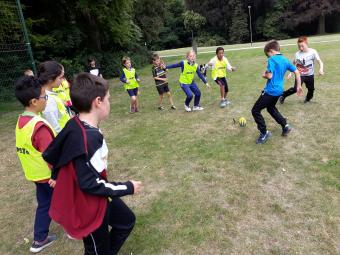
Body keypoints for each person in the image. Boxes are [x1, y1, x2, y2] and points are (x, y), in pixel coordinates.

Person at [43, 73, 142, 255]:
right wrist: (128, 187)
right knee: (96, 248)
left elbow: (55, 151)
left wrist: (56, 176)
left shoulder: (75, 122)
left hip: (99, 195)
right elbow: (89, 183)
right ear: (98, 101)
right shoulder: (89, 138)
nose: (109, 103)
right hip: (88, 204)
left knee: (126, 220)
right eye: (108, 99)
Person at [14, 75, 57, 253]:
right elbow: (51, 156)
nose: (46, 99)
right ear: (33, 101)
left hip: (35, 175)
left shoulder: (21, 121)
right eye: (43, 96)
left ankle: (39, 239)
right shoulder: (39, 127)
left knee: (45, 204)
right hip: (49, 177)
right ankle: (74, 230)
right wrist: (57, 176)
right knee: (67, 200)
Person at [251, 40, 302, 144]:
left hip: (271, 91)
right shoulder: (285, 60)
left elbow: (269, 76)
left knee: (255, 110)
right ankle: (285, 126)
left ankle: (264, 133)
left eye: (267, 55)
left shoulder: (272, 59)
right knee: (270, 108)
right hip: (279, 91)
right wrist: (299, 85)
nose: (268, 57)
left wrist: (264, 75)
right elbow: (297, 72)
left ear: (270, 51)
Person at [279, 36, 324, 104]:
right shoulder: (297, 54)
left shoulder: (313, 52)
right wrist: (291, 73)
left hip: (310, 75)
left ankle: (307, 99)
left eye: (302, 46)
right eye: (299, 46)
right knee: (295, 89)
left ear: (306, 43)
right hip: (300, 75)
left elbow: (320, 61)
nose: (300, 48)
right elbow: (294, 64)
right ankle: (283, 95)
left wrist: (321, 69)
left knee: (311, 89)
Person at [38, 61, 71, 133]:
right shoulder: (48, 101)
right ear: (50, 79)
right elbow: (54, 128)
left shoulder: (51, 95)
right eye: (61, 77)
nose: (63, 80)